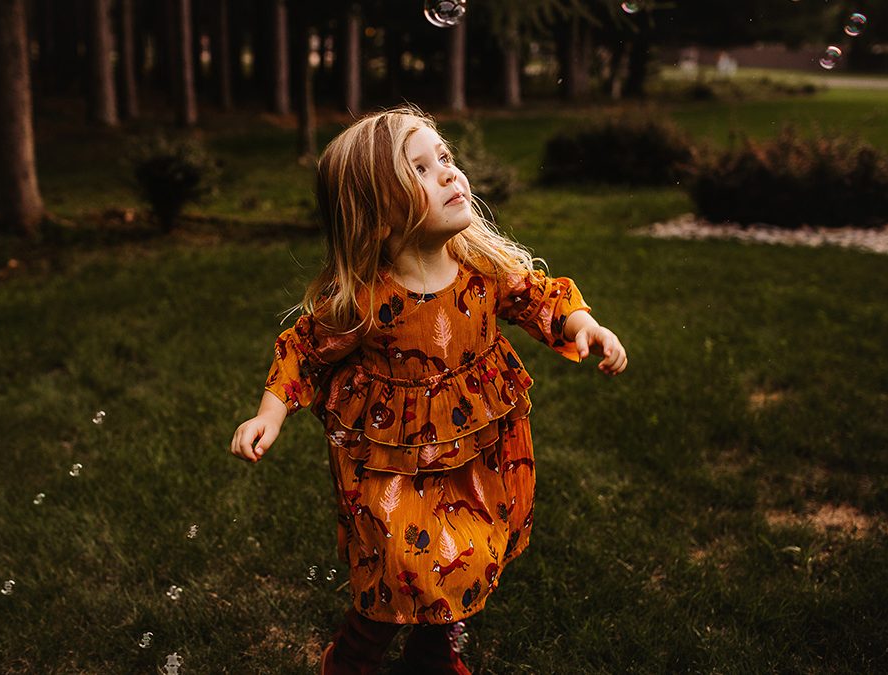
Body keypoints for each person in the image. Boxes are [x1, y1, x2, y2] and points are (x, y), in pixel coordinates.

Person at [229, 105, 627, 674]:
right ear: (378, 216)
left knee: (464, 549)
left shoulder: (481, 269)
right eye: (419, 168)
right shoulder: (366, 299)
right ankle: (354, 656)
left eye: (444, 158)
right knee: (398, 562)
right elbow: (304, 349)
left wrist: (583, 325)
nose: (448, 172)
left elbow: (540, 299)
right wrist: (269, 413)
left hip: (475, 450)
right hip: (391, 459)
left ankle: (433, 653)